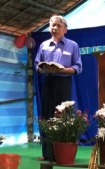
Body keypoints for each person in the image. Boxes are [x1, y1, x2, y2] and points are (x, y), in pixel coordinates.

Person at [34, 15, 82, 161]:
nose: (55, 28)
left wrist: (62, 70)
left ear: (65, 29)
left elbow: (78, 67)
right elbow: (37, 65)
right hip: (48, 82)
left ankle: (62, 153)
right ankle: (47, 153)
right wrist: (43, 68)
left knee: (63, 117)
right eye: (52, 25)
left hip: (64, 83)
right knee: (47, 116)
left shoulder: (72, 45)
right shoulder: (43, 45)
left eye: (58, 26)